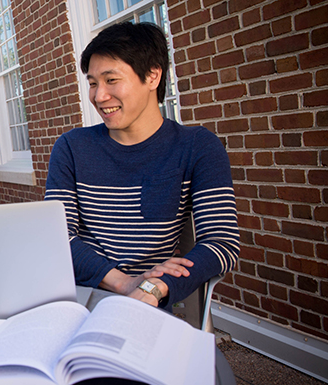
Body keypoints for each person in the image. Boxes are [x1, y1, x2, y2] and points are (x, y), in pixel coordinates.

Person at [44, 22, 240, 309]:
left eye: (111, 80)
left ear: (152, 76)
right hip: (76, 297)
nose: (99, 96)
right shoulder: (72, 147)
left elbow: (221, 243)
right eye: (93, 83)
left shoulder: (197, 147)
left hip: (146, 304)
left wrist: (154, 286)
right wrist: (123, 282)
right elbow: (57, 236)